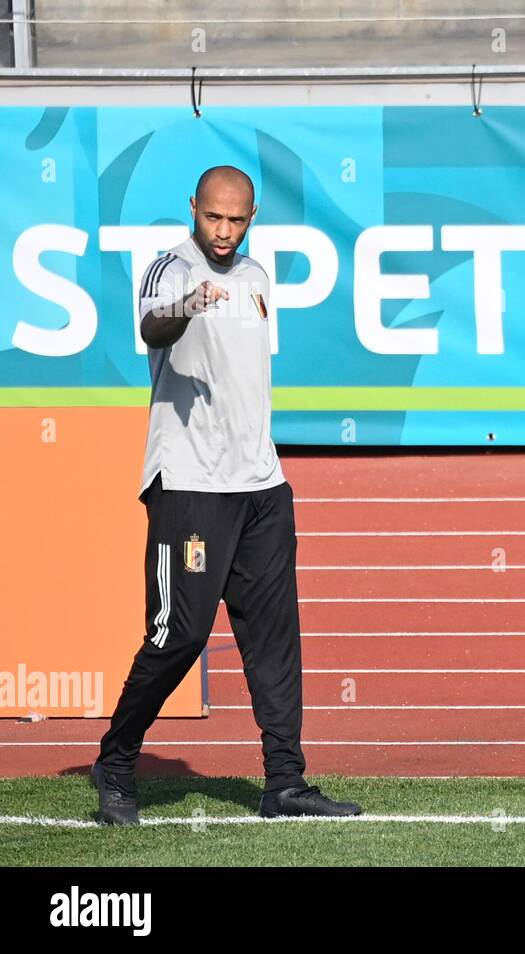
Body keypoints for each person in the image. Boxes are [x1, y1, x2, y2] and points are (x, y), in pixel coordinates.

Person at [91, 165, 362, 825]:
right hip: (190, 484)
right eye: (213, 217)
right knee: (179, 634)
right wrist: (189, 306)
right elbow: (155, 325)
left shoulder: (257, 278)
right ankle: (117, 759)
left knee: (274, 637)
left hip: (261, 487)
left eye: (236, 220)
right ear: (193, 209)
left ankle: (285, 782)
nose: (223, 231)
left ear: (252, 217)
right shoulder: (172, 271)